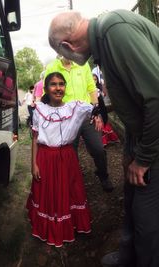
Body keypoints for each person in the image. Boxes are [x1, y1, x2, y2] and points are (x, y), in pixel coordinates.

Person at [48, 9, 159, 267]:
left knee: (147, 216)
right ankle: (128, 254)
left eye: (66, 56)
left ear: (67, 45)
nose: (72, 62)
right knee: (131, 198)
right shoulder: (105, 41)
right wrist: (131, 147)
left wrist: (142, 159)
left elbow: (156, 99)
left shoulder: (115, 31)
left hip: (154, 137)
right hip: (140, 133)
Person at [26, 72, 94, 247]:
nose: (58, 88)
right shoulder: (39, 110)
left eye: (61, 84)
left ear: (65, 87)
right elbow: (34, 139)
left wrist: (100, 113)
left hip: (66, 157)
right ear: (46, 88)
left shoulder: (75, 108)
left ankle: (69, 224)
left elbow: (97, 107)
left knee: (68, 189)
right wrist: (33, 164)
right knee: (48, 192)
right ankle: (50, 226)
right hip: (46, 157)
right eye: (53, 85)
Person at [44, 56, 114, 193]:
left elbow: (91, 88)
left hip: (87, 115)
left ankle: (103, 174)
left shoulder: (83, 65)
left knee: (98, 148)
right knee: (70, 152)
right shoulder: (52, 67)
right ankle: (74, 180)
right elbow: (47, 91)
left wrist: (96, 111)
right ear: (58, 50)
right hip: (65, 118)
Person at [93, 73, 119, 147]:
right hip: (92, 109)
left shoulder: (99, 88)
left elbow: (102, 99)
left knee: (103, 124)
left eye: (95, 79)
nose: (94, 81)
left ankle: (107, 140)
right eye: (92, 79)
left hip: (100, 108)